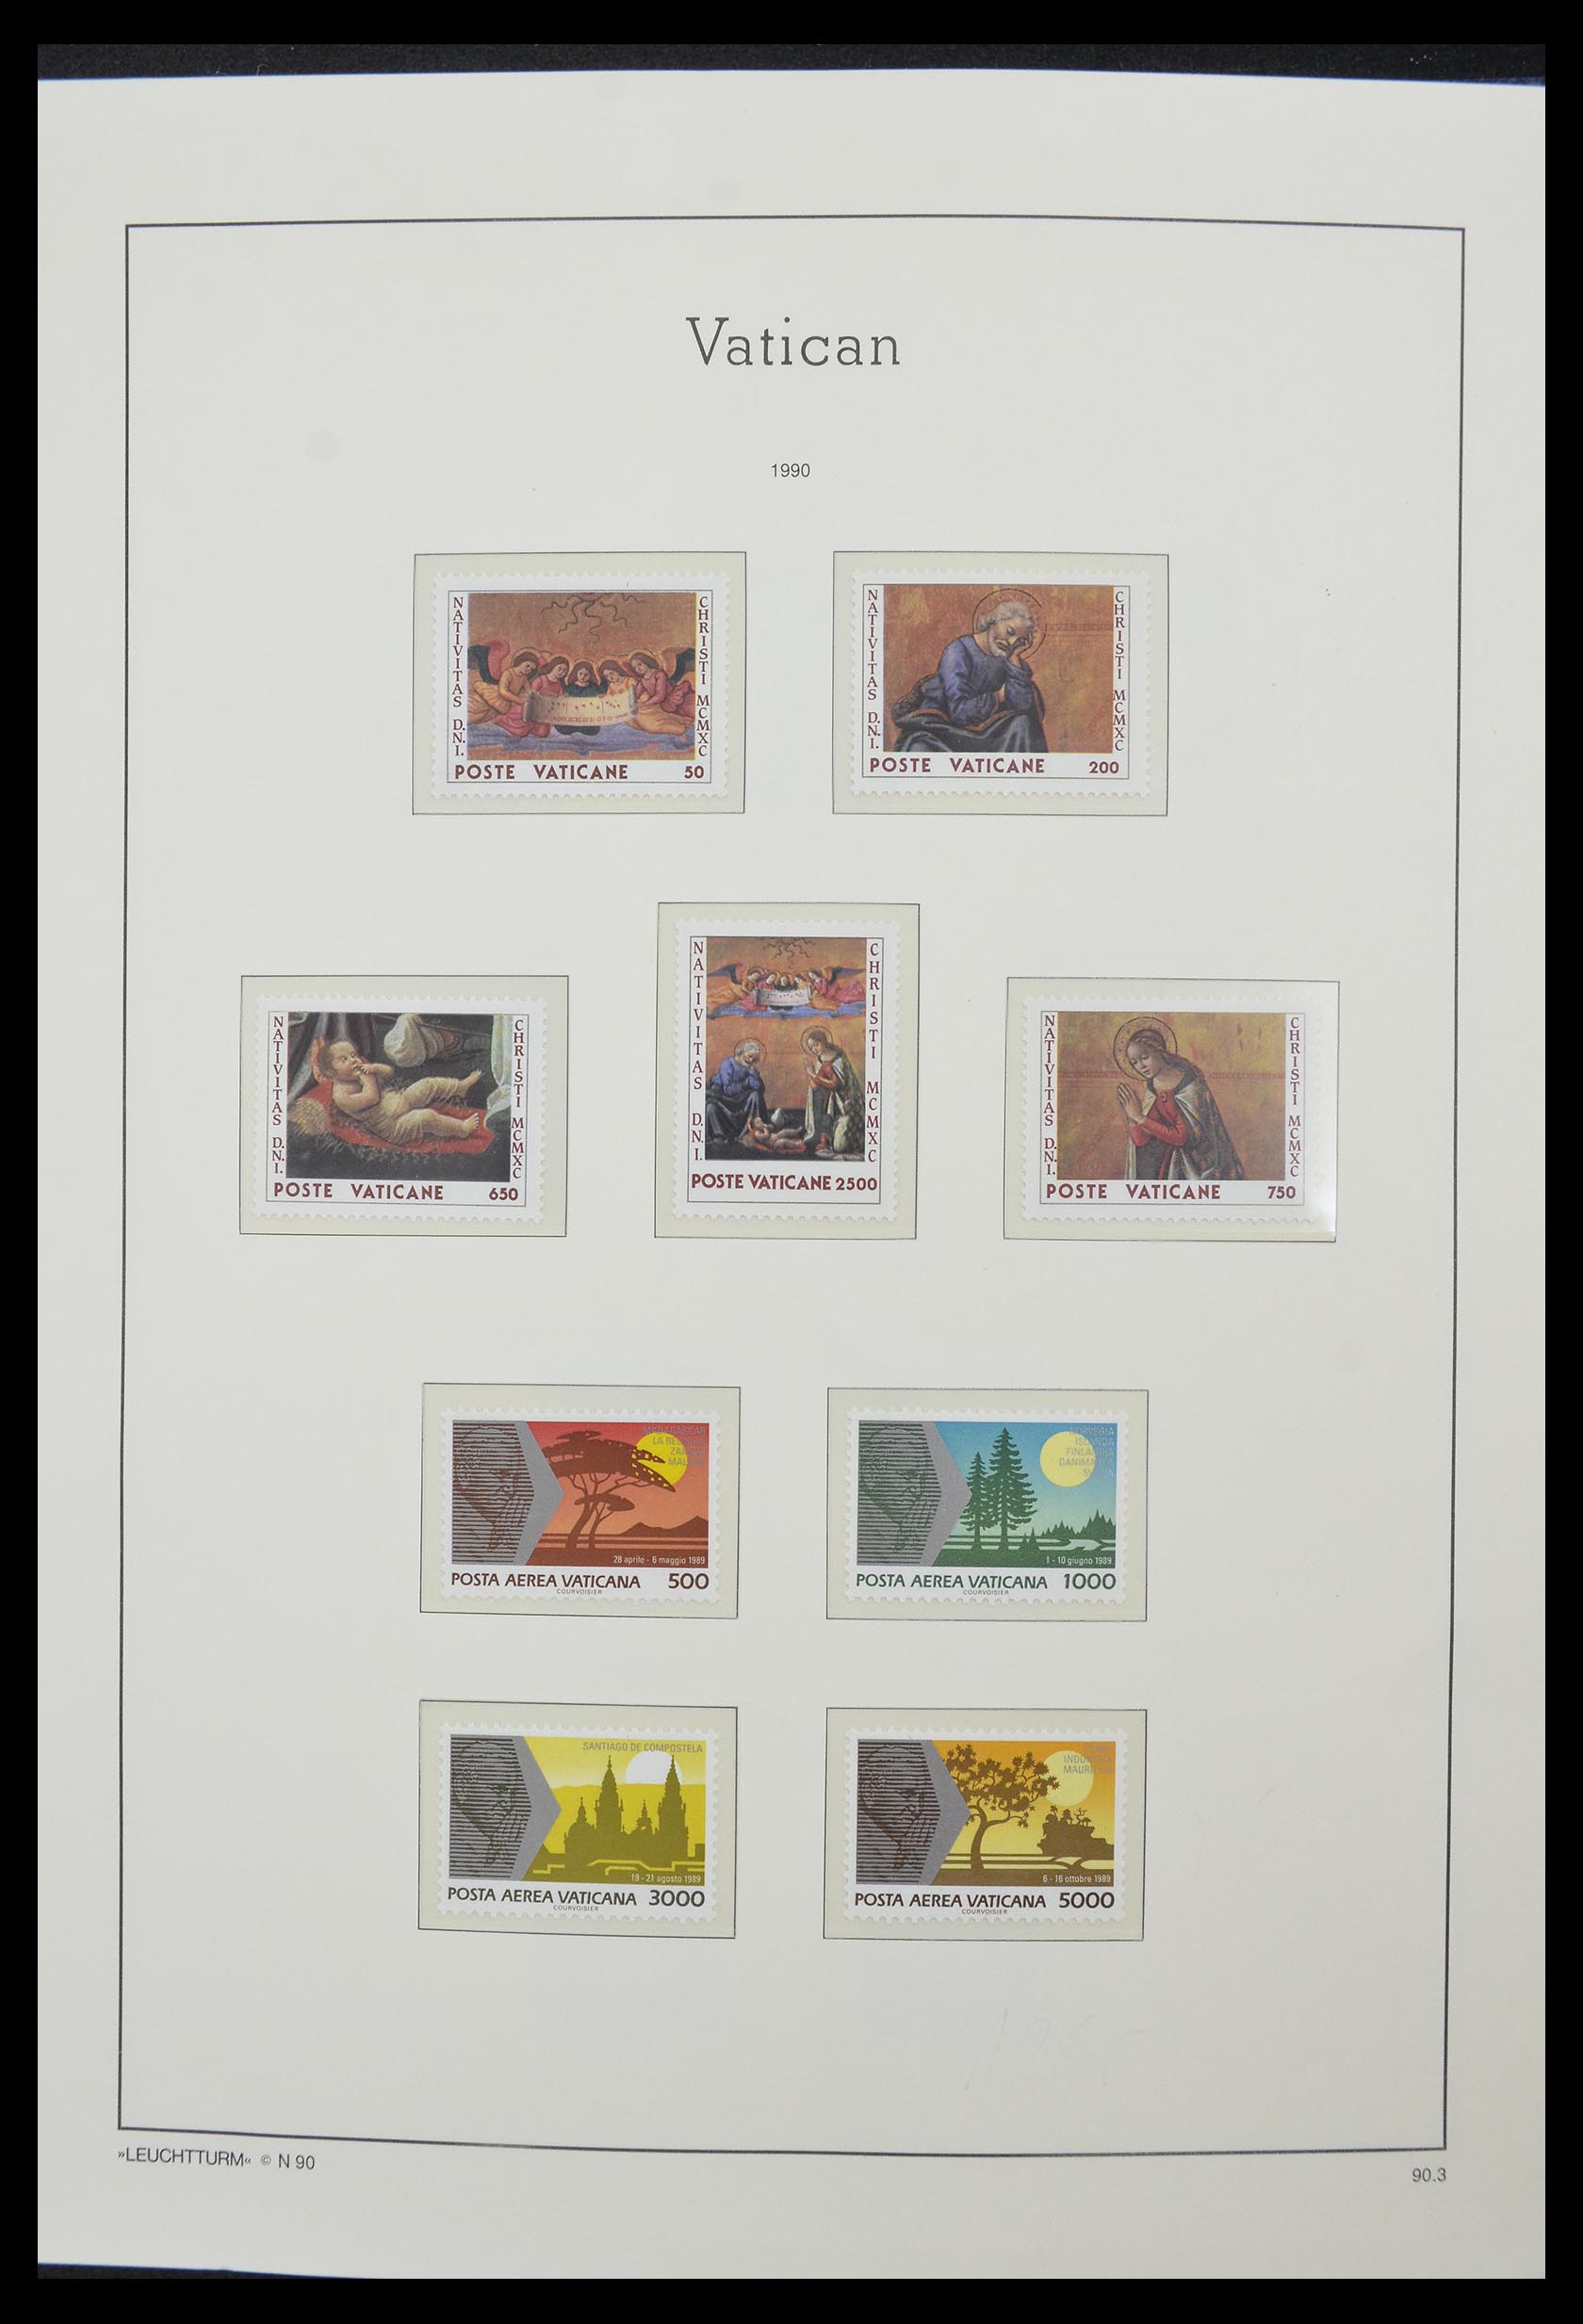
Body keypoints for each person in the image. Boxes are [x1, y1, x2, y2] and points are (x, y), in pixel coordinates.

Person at [891, 597, 1047, 753]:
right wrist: (999, 696)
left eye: (1019, 641)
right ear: (996, 620)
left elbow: (1023, 707)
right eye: (1010, 631)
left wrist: (1014, 657)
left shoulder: (1010, 659)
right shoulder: (958, 651)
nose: (1011, 642)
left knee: (1023, 724)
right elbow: (959, 712)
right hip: (946, 729)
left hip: (988, 732)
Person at [1115, 1026, 1247, 1182]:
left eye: (1145, 1057)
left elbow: (1183, 1137)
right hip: (1167, 1165)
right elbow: (1142, 1141)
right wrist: (1132, 1118)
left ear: (1159, 1051)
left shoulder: (1190, 1086)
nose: (1141, 1066)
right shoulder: (1152, 1087)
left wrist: (1139, 1117)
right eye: (1134, 1062)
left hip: (1198, 1166)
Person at [313, 1037, 484, 1146]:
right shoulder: (341, 1095)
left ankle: (460, 1087)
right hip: (393, 1126)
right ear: (331, 1072)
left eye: (353, 1055)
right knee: (427, 1117)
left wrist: (376, 1068)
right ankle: (462, 1129)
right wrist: (369, 1078)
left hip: (401, 1101)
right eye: (344, 1059)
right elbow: (372, 1098)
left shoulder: (361, 1071)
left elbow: (389, 1073)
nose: (353, 1060)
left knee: (426, 1084)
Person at [855, 1741, 939, 1883]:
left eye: (920, 1798)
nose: (917, 1809)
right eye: (907, 1794)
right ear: (869, 1793)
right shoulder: (861, 1853)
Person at [449, 1738, 533, 1877]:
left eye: (512, 1793)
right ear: (462, 1788)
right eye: (498, 1789)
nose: (508, 1804)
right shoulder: (452, 1850)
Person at [802, 1029, 861, 1156]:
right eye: (811, 1048)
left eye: (816, 1045)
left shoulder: (838, 1059)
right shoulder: (820, 1059)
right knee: (826, 1117)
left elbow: (835, 1084)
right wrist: (810, 1074)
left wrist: (813, 1074)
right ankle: (825, 1141)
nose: (814, 1050)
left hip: (843, 1102)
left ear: (824, 1041)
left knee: (840, 1147)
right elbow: (816, 1085)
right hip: (828, 1100)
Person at [704, 1039, 768, 1151]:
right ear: (742, 1052)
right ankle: (720, 1134)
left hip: (740, 1102)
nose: (751, 1060)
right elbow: (728, 1089)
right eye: (749, 1056)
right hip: (723, 1099)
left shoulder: (749, 1067)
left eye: (754, 1059)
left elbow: (758, 1087)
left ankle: (750, 1131)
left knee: (755, 1095)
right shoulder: (728, 1064)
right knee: (711, 1108)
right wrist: (745, 1084)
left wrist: (753, 1073)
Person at [628, 646, 695, 735]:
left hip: (673, 698)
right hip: (662, 704)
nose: (638, 668)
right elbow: (635, 695)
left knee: (690, 713)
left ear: (646, 661)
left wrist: (644, 704)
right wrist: (631, 701)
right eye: (635, 668)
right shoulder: (642, 681)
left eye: (639, 664)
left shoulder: (659, 674)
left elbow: (660, 696)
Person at [523, 655, 571, 738]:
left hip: (548, 713)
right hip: (535, 710)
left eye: (564, 671)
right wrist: (545, 696)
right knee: (524, 730)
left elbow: (560, 699)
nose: (561, 672)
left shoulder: (559, 684)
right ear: (553, 666)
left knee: (543, 733)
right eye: (559, 669)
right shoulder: (540, 680)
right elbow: (532, 695)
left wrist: (563, 698)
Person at [555, 659, 608, 734]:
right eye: (581, 673)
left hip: (587, 718)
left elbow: (602, 691)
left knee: (593, 730)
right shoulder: (570, 687)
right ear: (576, 673)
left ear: (590, 675)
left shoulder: (593, 687)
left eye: (586, 674)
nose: (583, 676)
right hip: (572, 717)